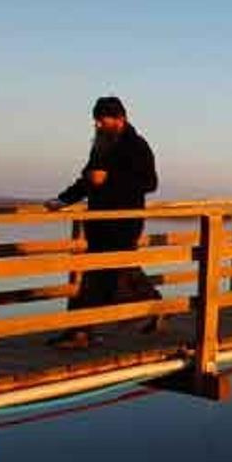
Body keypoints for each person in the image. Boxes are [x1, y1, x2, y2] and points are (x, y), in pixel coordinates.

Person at [46, 96, 163, 348]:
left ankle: (81, 331)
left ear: (119, 119)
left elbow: (149, 183)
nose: (97, 125)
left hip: (123, 222)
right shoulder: (101, 145)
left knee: (113, 273)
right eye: (96, 121)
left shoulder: (137, 145)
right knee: (102, 273)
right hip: (99, 222)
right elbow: (88, 179)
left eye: (102, 120)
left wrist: (109, 179)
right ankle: (82, 330)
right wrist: (63, 199)